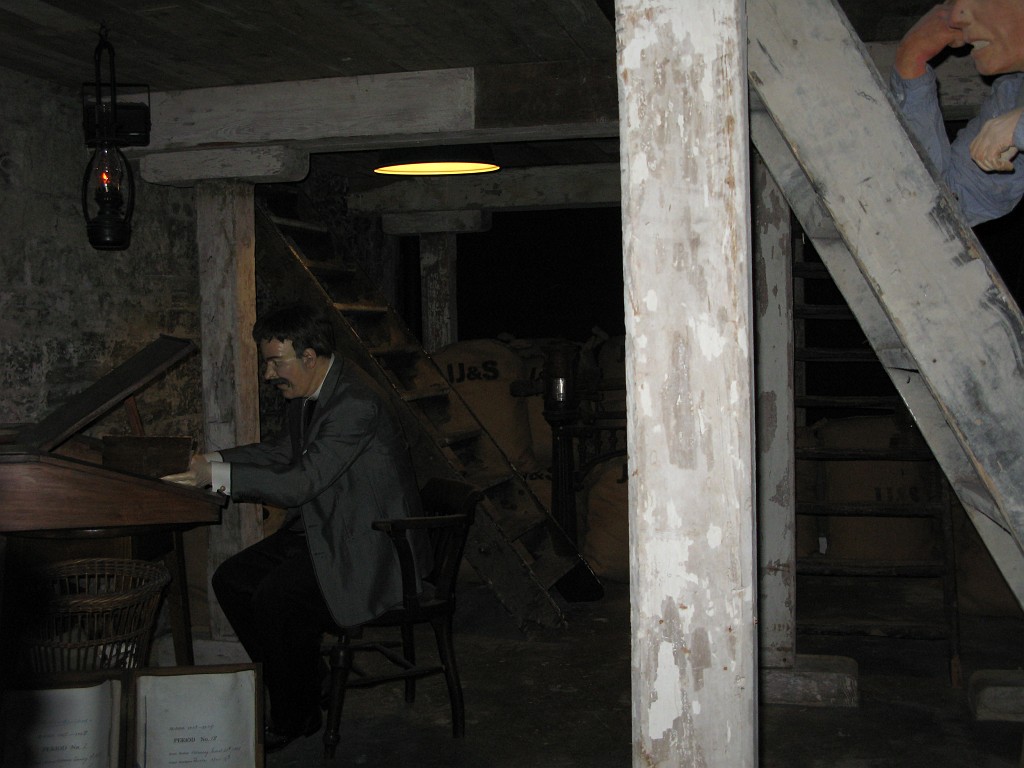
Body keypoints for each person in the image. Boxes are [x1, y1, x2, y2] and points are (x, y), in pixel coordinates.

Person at [164, 302, 430, 753]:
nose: (268, 374)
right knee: (232, 581)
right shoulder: (312, 391)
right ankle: (305, 681)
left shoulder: (354, 403)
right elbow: (283, 451)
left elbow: (301, 483)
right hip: (327, 530)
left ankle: (295, 715)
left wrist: (218, 478)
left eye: (275, 362)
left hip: (371, 546)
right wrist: (212, 460)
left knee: (276, 599)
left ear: (309, 356)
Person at [890, 0, 1024, 226]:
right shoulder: (1013, 93)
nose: (955, 17)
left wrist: (1019, 126)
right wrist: (912, 58)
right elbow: (949, 200)